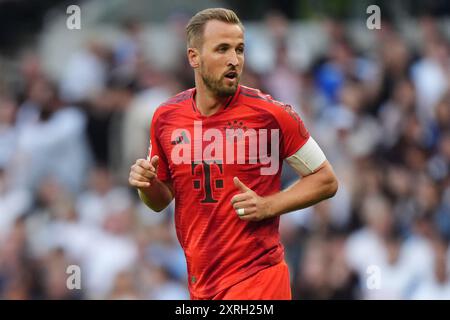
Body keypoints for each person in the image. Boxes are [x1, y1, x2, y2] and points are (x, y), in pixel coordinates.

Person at [129, 8, 338, 300]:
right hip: (201, 285)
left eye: (239, 50)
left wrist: (268, 206)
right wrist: (146, 184)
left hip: (258, 280)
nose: (234, 60)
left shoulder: (272, 113)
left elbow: (326, 179)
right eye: (222, 49)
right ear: (194, 57)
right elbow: (160, 201)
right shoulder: (166, 117)